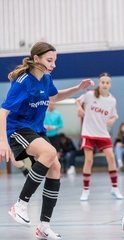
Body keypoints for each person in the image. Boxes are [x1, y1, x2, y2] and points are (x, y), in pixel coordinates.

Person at [0, 41, 93, 239]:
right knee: (50, 153)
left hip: (36, 130)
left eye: (54, 60)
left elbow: (55, 97)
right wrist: (2, 141)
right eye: (49, 60)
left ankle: (44, 226)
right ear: (36, 59)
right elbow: (3, 111)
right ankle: (20, 205)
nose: (53, 64)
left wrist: (78, 88)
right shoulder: (22, 81)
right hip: (18, 129)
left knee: (55, 167)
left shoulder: (46, 79)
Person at [77, 72, 124, 201]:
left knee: (111, 157)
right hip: (88, 132)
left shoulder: (112, 100)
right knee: (89, 160)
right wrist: (80, 109)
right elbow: (77, 101)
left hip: (102, 133)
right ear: (99, 83)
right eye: (102, 82)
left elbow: (114, 115)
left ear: (110, 84)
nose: (105, 84)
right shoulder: (89, 95)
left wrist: (112, 120)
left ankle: (115, 188)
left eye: (107, 82)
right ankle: (85, 190)